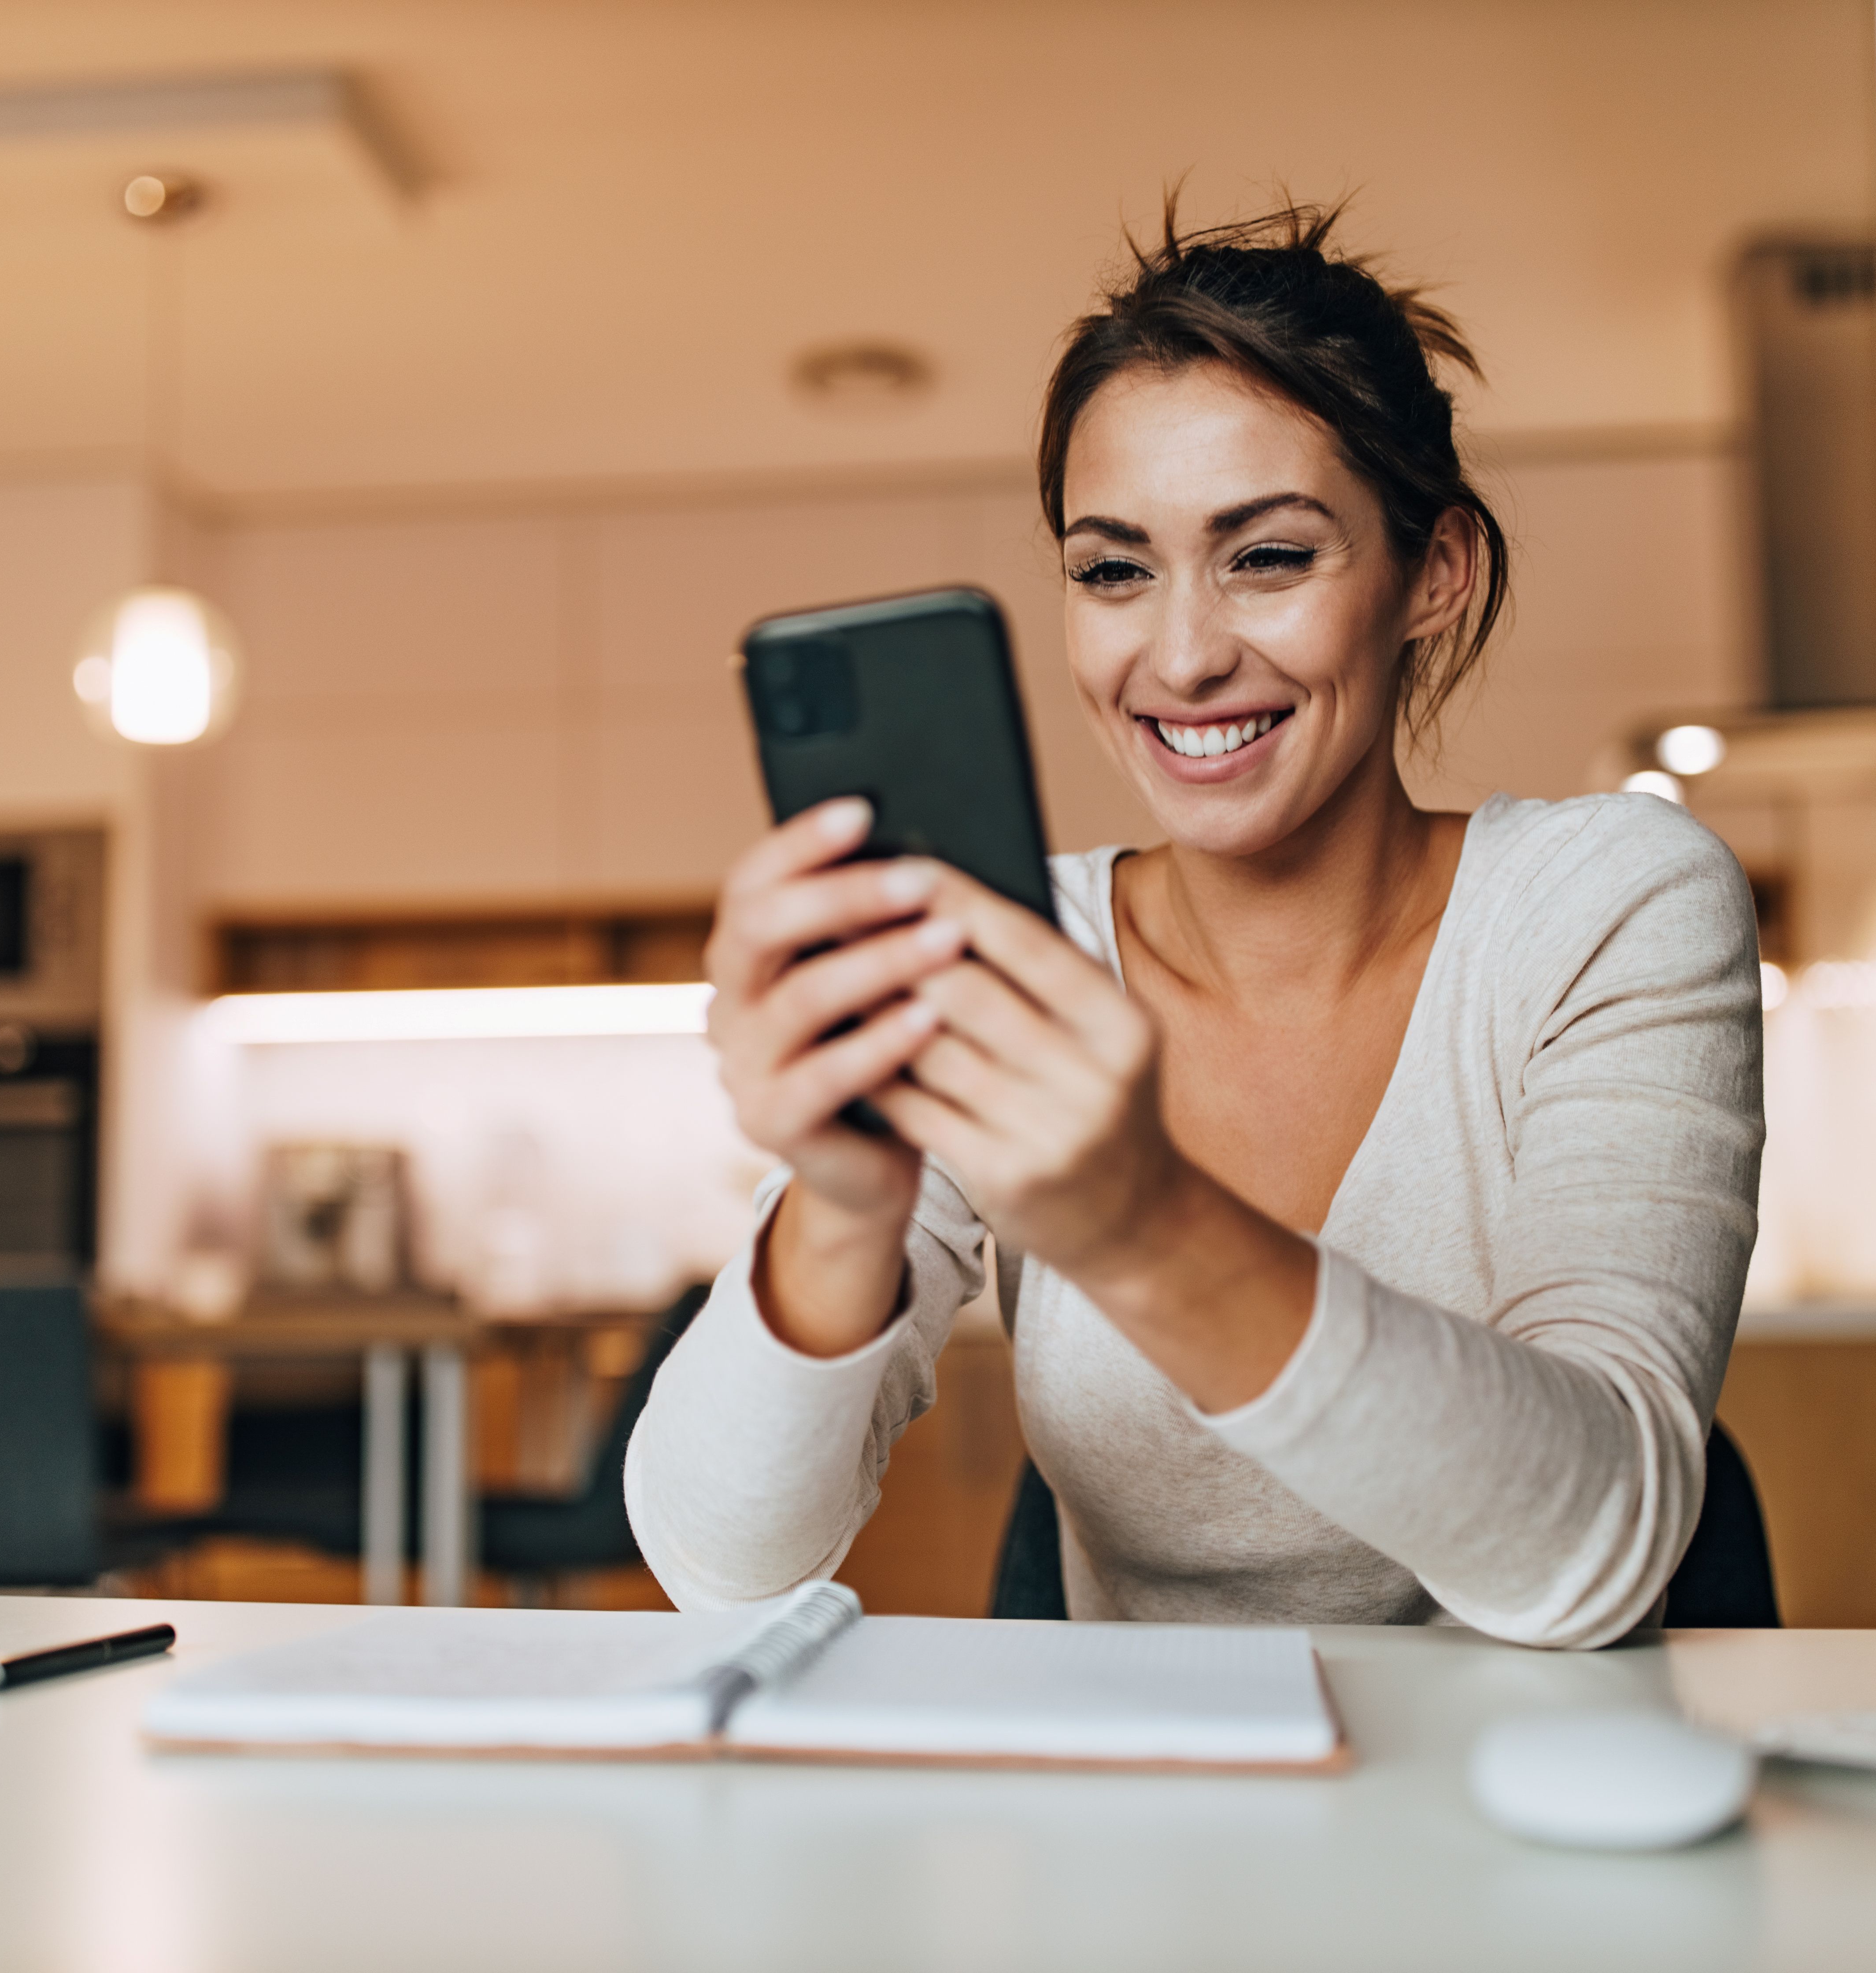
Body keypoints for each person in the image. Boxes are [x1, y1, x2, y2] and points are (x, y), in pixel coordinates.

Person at [626, 204, 1762, 1648]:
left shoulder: (1609, 904)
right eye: (1114, 570)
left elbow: (1595, 1554)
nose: (1181, 656)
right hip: (1152, 1824)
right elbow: (721, 1570)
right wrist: (846, 1203)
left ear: (1436, 575)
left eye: (1269, 557)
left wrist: (1139, 1221)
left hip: (1533, 1808)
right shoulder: (1008, 944)